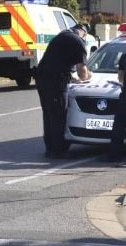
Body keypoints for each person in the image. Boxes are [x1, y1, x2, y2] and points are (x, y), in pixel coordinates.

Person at [35, 23, 92, 159]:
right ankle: (58, 150)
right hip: (55, 81)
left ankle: (49, 148)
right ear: (83, 32)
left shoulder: (62, 36)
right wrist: (89, 75)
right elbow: (82, 72)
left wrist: (70, 78)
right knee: (58, 115)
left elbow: (59, 61)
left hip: (42, 78)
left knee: (48, 114)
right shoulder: (78, 42)